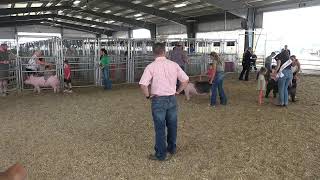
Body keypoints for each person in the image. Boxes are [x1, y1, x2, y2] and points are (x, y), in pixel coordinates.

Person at [139, 43, 189, 161]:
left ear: (153, 53)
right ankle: (171, 148)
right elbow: (186, 80)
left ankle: (161, 154)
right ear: (165, 52)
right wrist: (178, 91)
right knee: (172, 125)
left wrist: (148, 96)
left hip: (158, 99)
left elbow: (143, 84)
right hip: (171, 98)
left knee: (160, 128)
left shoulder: (151, 66)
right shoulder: (174, 65)